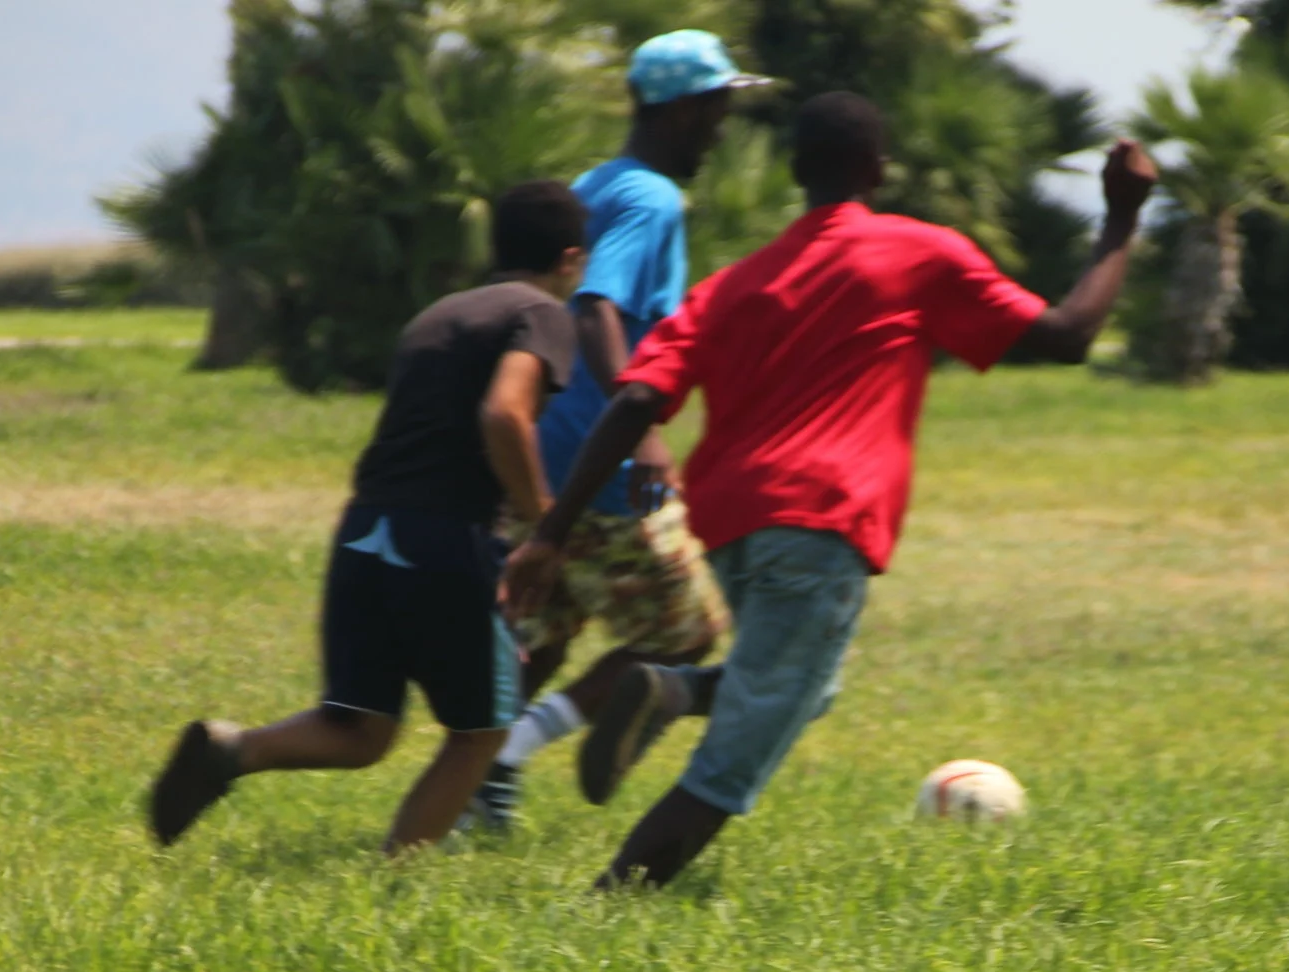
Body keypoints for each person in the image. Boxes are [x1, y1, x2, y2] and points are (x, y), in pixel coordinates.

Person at [503, 93, 1157, 890]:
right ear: (877, 168)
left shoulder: (733, 284)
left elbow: (636, 398)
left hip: (730, 524)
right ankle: (609, 904)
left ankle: (670, 688)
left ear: (794, 170)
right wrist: (1121, 218)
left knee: (809, 688)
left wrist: (550, 533)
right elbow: (1069, 335)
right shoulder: (918, 252)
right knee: (736, 756)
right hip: (819, 517)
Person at [145, 182, 589, 855]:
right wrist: (545, 528)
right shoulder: (542, 312)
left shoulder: (439, 314)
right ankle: (399, 880)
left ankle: (232, 748)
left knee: (360, 729)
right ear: (570, 259)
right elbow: (504, 413)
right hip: (446, 537)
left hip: (366, 529)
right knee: (481, 733)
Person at [471, 30, 770, 832]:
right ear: (683, 111)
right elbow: (597, 307)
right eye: (718, 110)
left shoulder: (595, 184)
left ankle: (474, 786)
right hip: (603, 461)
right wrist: (641, 431)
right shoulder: (651, 198)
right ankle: (512, 751)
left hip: (539, 451)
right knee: (686, 635)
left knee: (542, 632)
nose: (722, 129)